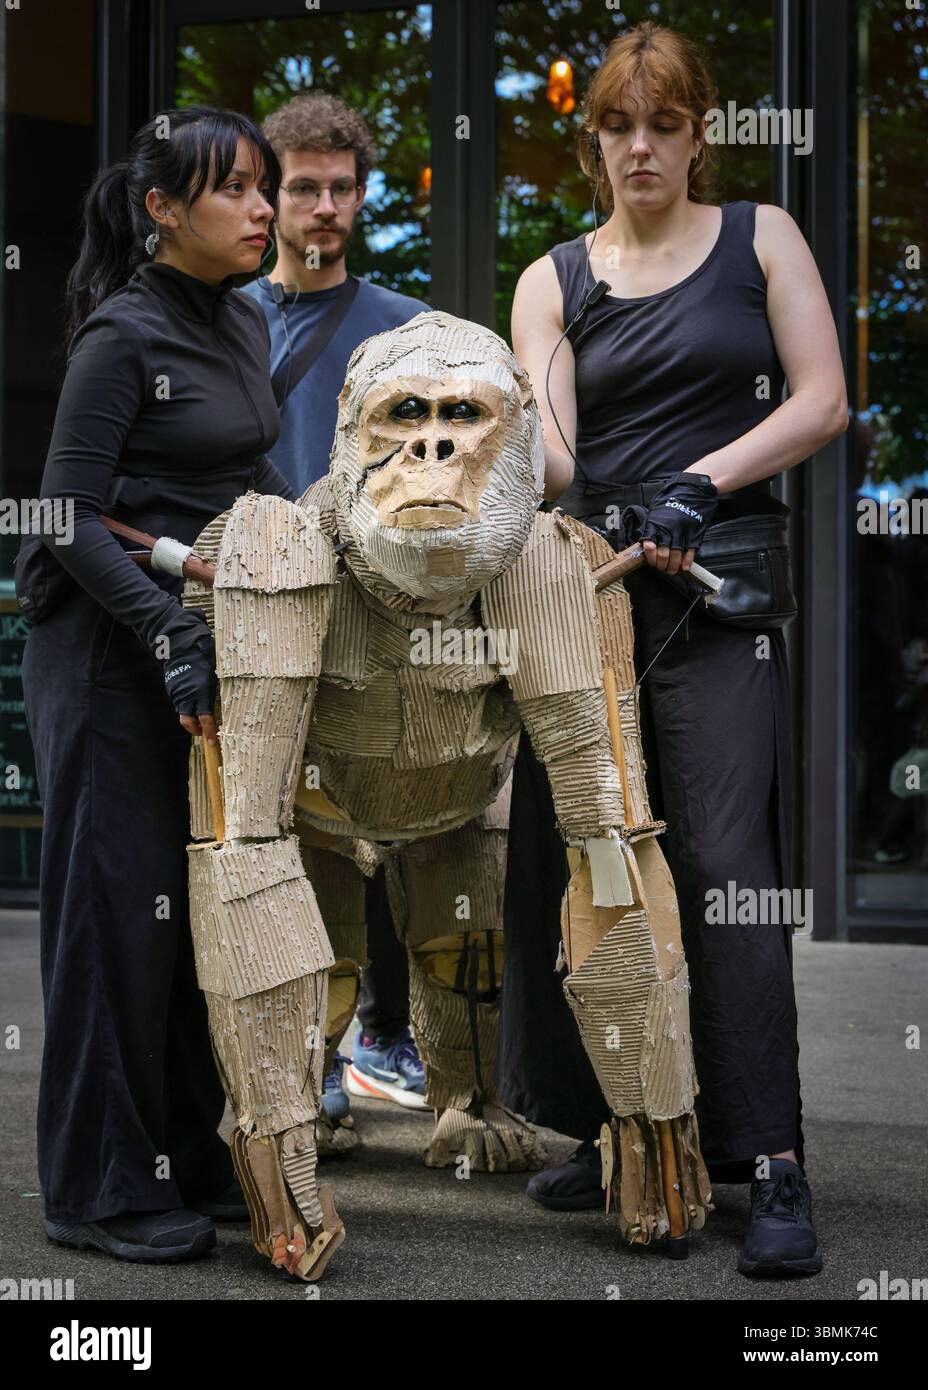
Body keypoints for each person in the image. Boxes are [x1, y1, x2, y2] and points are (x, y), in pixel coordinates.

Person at [508, 21, 847, 1275]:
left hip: (717, 598)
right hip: (589, 595)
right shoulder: (553, 277)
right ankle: (617, 1124)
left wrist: (702, 480)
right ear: (591, 138)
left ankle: (772, 1162)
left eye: (663, 124)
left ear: (701, 133)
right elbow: (552, 448)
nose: (638, 147)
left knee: (719, 858)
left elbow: (821, 398)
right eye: (615, 126)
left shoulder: (762, 237)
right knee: (585, 849)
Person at [19, 106, 298, 1264]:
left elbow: (249, 471)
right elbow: (60, 516)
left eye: (266, 188)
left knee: (183, 924)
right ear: (163, 210)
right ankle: (94, 1185)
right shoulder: (122, 336)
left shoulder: (238, 319)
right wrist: (165, 632)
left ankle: (180, 1154)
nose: (263, 209)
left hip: (190, 641)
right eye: (235, 189)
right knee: (109, 919)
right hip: (102, 650)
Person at [242, 93, 428, 1123]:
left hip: (375, 611)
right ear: (269, 195)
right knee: (282, 837)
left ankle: (389, 1037)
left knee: (390, 831)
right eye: (303, 187)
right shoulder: (224, 315)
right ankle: (305, 1061)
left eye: (341, 188)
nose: (324, 207)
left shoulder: (403, 327)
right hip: (261, 612)